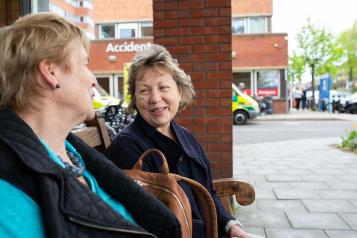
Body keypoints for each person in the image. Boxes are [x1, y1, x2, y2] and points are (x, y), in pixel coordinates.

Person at [0, 13, 181, 238]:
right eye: (85, 63)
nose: (93, 79)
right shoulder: (7, 200)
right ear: (50, 72)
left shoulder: (72, 153)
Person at [106, 44, 263, 238]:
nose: (155, 99)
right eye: (144, 91)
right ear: (135, 99)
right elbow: (153, 223)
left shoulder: (186, 136)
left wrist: (231, 226)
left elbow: (208, 191)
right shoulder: (126, 148)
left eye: (163, 87)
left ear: (179, 92)